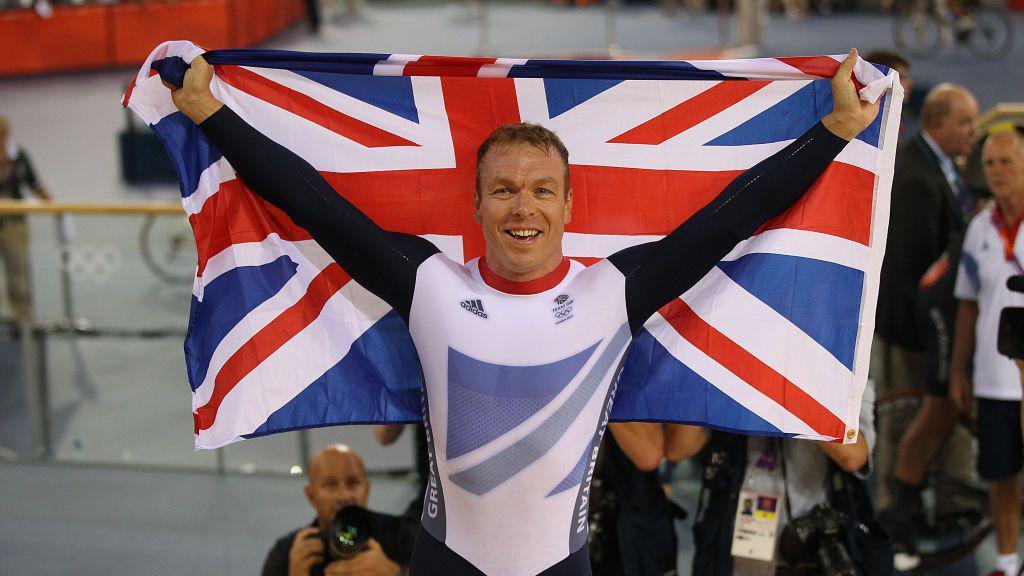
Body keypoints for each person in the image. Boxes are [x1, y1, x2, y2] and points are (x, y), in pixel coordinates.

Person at [167, 50, 878, 575]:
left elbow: (734, 216)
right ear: (475, 205)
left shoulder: (613, 294)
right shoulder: (429, 285)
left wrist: (838, 129)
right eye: (503, 190)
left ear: (569, 208)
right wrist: (211, 115)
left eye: (542, 190)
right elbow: (312, 203)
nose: (523, 206)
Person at [874, 83, 978, 519]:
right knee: (907, 417)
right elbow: (907, 269)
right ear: (937, 123)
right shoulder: (918, 177)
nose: (974, 131)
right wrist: (919, 335)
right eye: (965, 122)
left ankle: (945, 500)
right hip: (915, 330)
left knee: (933, 411)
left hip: (935, 325)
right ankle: (892, 509)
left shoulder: (939, 167)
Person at [688, 379, 887, 575]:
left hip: (813, 546)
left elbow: (853, 456)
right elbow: (677, 449)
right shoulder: (735, 367)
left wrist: (787, 383)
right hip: (737, 546)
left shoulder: (847, 374)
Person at [950, 127, 1024, 576]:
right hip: (995, 378)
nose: (997, 172)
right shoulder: (979, 227)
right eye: (990, 163)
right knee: (1001, 477)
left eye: (1007, 162)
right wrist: (959, 370)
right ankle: (1006, 561)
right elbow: (967, 304)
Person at [262, 444, 418, 576]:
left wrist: (396, 572)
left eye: (353, 483)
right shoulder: (289, 552)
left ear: (367, 488)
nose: (343, 496)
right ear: (311, 495)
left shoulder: (401, 535)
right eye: (330, 485)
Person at [0, 115, 51, 323]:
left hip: (14, 225)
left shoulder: (18, 156)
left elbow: (35, 183)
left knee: (19, 278)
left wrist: (57, 210)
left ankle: (24, 325)